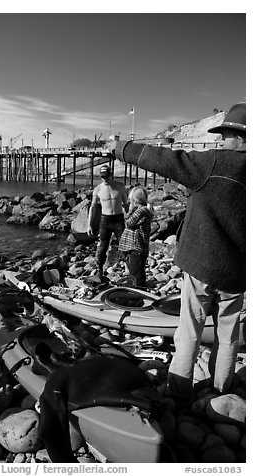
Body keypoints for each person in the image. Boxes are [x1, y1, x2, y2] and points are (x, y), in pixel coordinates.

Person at [113, 102, 246, 406]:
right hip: (239, 272)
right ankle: (222, 391)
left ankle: (180, 392)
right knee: (228, 336)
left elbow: (166, 160)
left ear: (240, 137)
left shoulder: (215, 163)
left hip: (203, 265)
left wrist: (122, 147)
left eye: (225, 134)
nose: (220, 141)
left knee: (189, 330)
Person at [87, 164, 128, 280]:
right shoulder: (98, 189)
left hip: (118, 219)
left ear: (111, 175)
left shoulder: (120, 187)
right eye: (102, 177)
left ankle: (128, 268)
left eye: (106, 176)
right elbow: (92, 207)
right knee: (102, 246)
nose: (104, 179)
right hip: (105, 219)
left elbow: (126, 204)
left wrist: (130, 218)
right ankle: (99, 269)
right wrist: (89, 224)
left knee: (124, 245)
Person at [118, 185, 153, 288]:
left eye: (131, 199)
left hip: (136, 248)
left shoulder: (141, 211)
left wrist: (128, 210)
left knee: (135, 274)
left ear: (136, 199)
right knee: (138, 273)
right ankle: (140, 292)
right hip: (135, 248)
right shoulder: (142, 210)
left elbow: (129, 223)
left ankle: (137, 294)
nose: (130, 202)